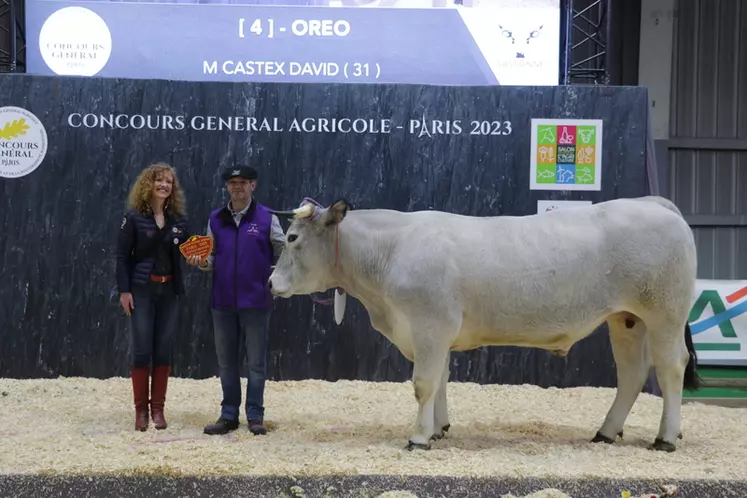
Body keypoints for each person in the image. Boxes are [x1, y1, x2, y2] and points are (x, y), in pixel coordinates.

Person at [187, 165, 285, 436]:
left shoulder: (268, 218)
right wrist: (200, 262)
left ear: (253, 185)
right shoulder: (215, 218)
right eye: (233, 183)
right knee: (226, 363)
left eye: (243, 182)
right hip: (223, 301)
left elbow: (285, 249)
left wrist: (279, 277)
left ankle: (255, 416)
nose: (237, 187)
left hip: (257, 301)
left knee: (256, 363)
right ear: (227, 187)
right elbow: (211, 256)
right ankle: (228, 415)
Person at [116, 162, 192, 432]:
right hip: (141, 291)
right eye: (159, 181)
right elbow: (122, 257)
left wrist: (200, 256)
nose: (164, 185)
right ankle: (141, 412)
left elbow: (191, 250)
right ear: (149, 184)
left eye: (169, 182)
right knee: (140, 350)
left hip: (169, 291)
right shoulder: (134, 217)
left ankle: (158, 409)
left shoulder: (179, 221)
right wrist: (125, 291)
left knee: (163, 349)